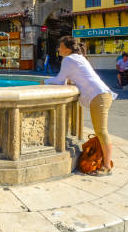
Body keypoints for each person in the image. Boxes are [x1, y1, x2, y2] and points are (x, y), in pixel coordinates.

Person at [45, 36, 117, 176]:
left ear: (67, 48)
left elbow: (60, 81)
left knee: (102, 132)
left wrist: (44, 81)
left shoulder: (69, 59)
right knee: (100, 132)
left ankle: (107, 167)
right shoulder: (78, 58)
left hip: (99, 96)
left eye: (60, 45)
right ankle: (103, 161)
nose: (58, 48)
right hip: (101, 94)